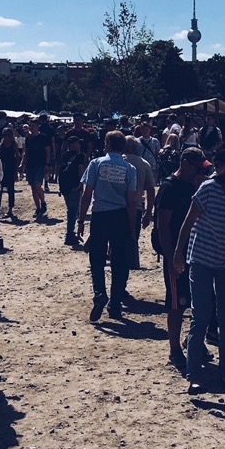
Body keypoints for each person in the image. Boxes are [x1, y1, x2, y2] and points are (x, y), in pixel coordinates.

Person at [174, 157, 225, 393]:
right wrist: (178, 254)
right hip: (200, 259)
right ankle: (194, 374)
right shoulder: (209, 188)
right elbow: (188, 222)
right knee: (201, 316)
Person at [155, 149, 209, 370]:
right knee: (176, 304)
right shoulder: (170, 187)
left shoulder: (194, 187)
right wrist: (171, 258)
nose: (201, 172)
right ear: (185, 164)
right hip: (177, 255)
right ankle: (175, 349)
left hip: (194, 252)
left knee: (200, 301)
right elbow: (163, 226)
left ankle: (194, 341)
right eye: (198, 168)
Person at [77, 131, 138, 323]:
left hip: (100, 215)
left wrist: (81, 219)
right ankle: (115, 303)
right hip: (120, 216)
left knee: (97, 258)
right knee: (119, 261)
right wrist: (131, 226)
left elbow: (87, 194)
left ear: (108, 144)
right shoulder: (129, 169)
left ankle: (99, 293)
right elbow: (131, 201)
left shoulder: (96, 163)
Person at [124, 135, 156, 274]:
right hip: (137, 206)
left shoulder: (120, 162)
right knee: (133, 236)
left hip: (118, 206)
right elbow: (150, 190)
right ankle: (132, 261)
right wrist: (148, 212)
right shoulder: (144, 164)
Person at [57, 135, 87, 248]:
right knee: (73, 212)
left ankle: (70, 232)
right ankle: (70, 234)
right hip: (75, 185)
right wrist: (80, 184)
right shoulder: (80, 156)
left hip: (65, 186)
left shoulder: (65, 156)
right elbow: (81, 170)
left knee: (70, 209)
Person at [22, 119, 50, 220]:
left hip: (40, 164)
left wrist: (47, 164)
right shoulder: (28, 138)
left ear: (38, 126)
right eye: (30, 126)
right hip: (30, 164)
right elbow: (26, 152)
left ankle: (43, 202)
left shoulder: (44, 137)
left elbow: (48, 151)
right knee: (33, 187)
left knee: (37, 184)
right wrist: (22, 164)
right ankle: (38, 208)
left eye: (33, 126)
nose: (31, 128)